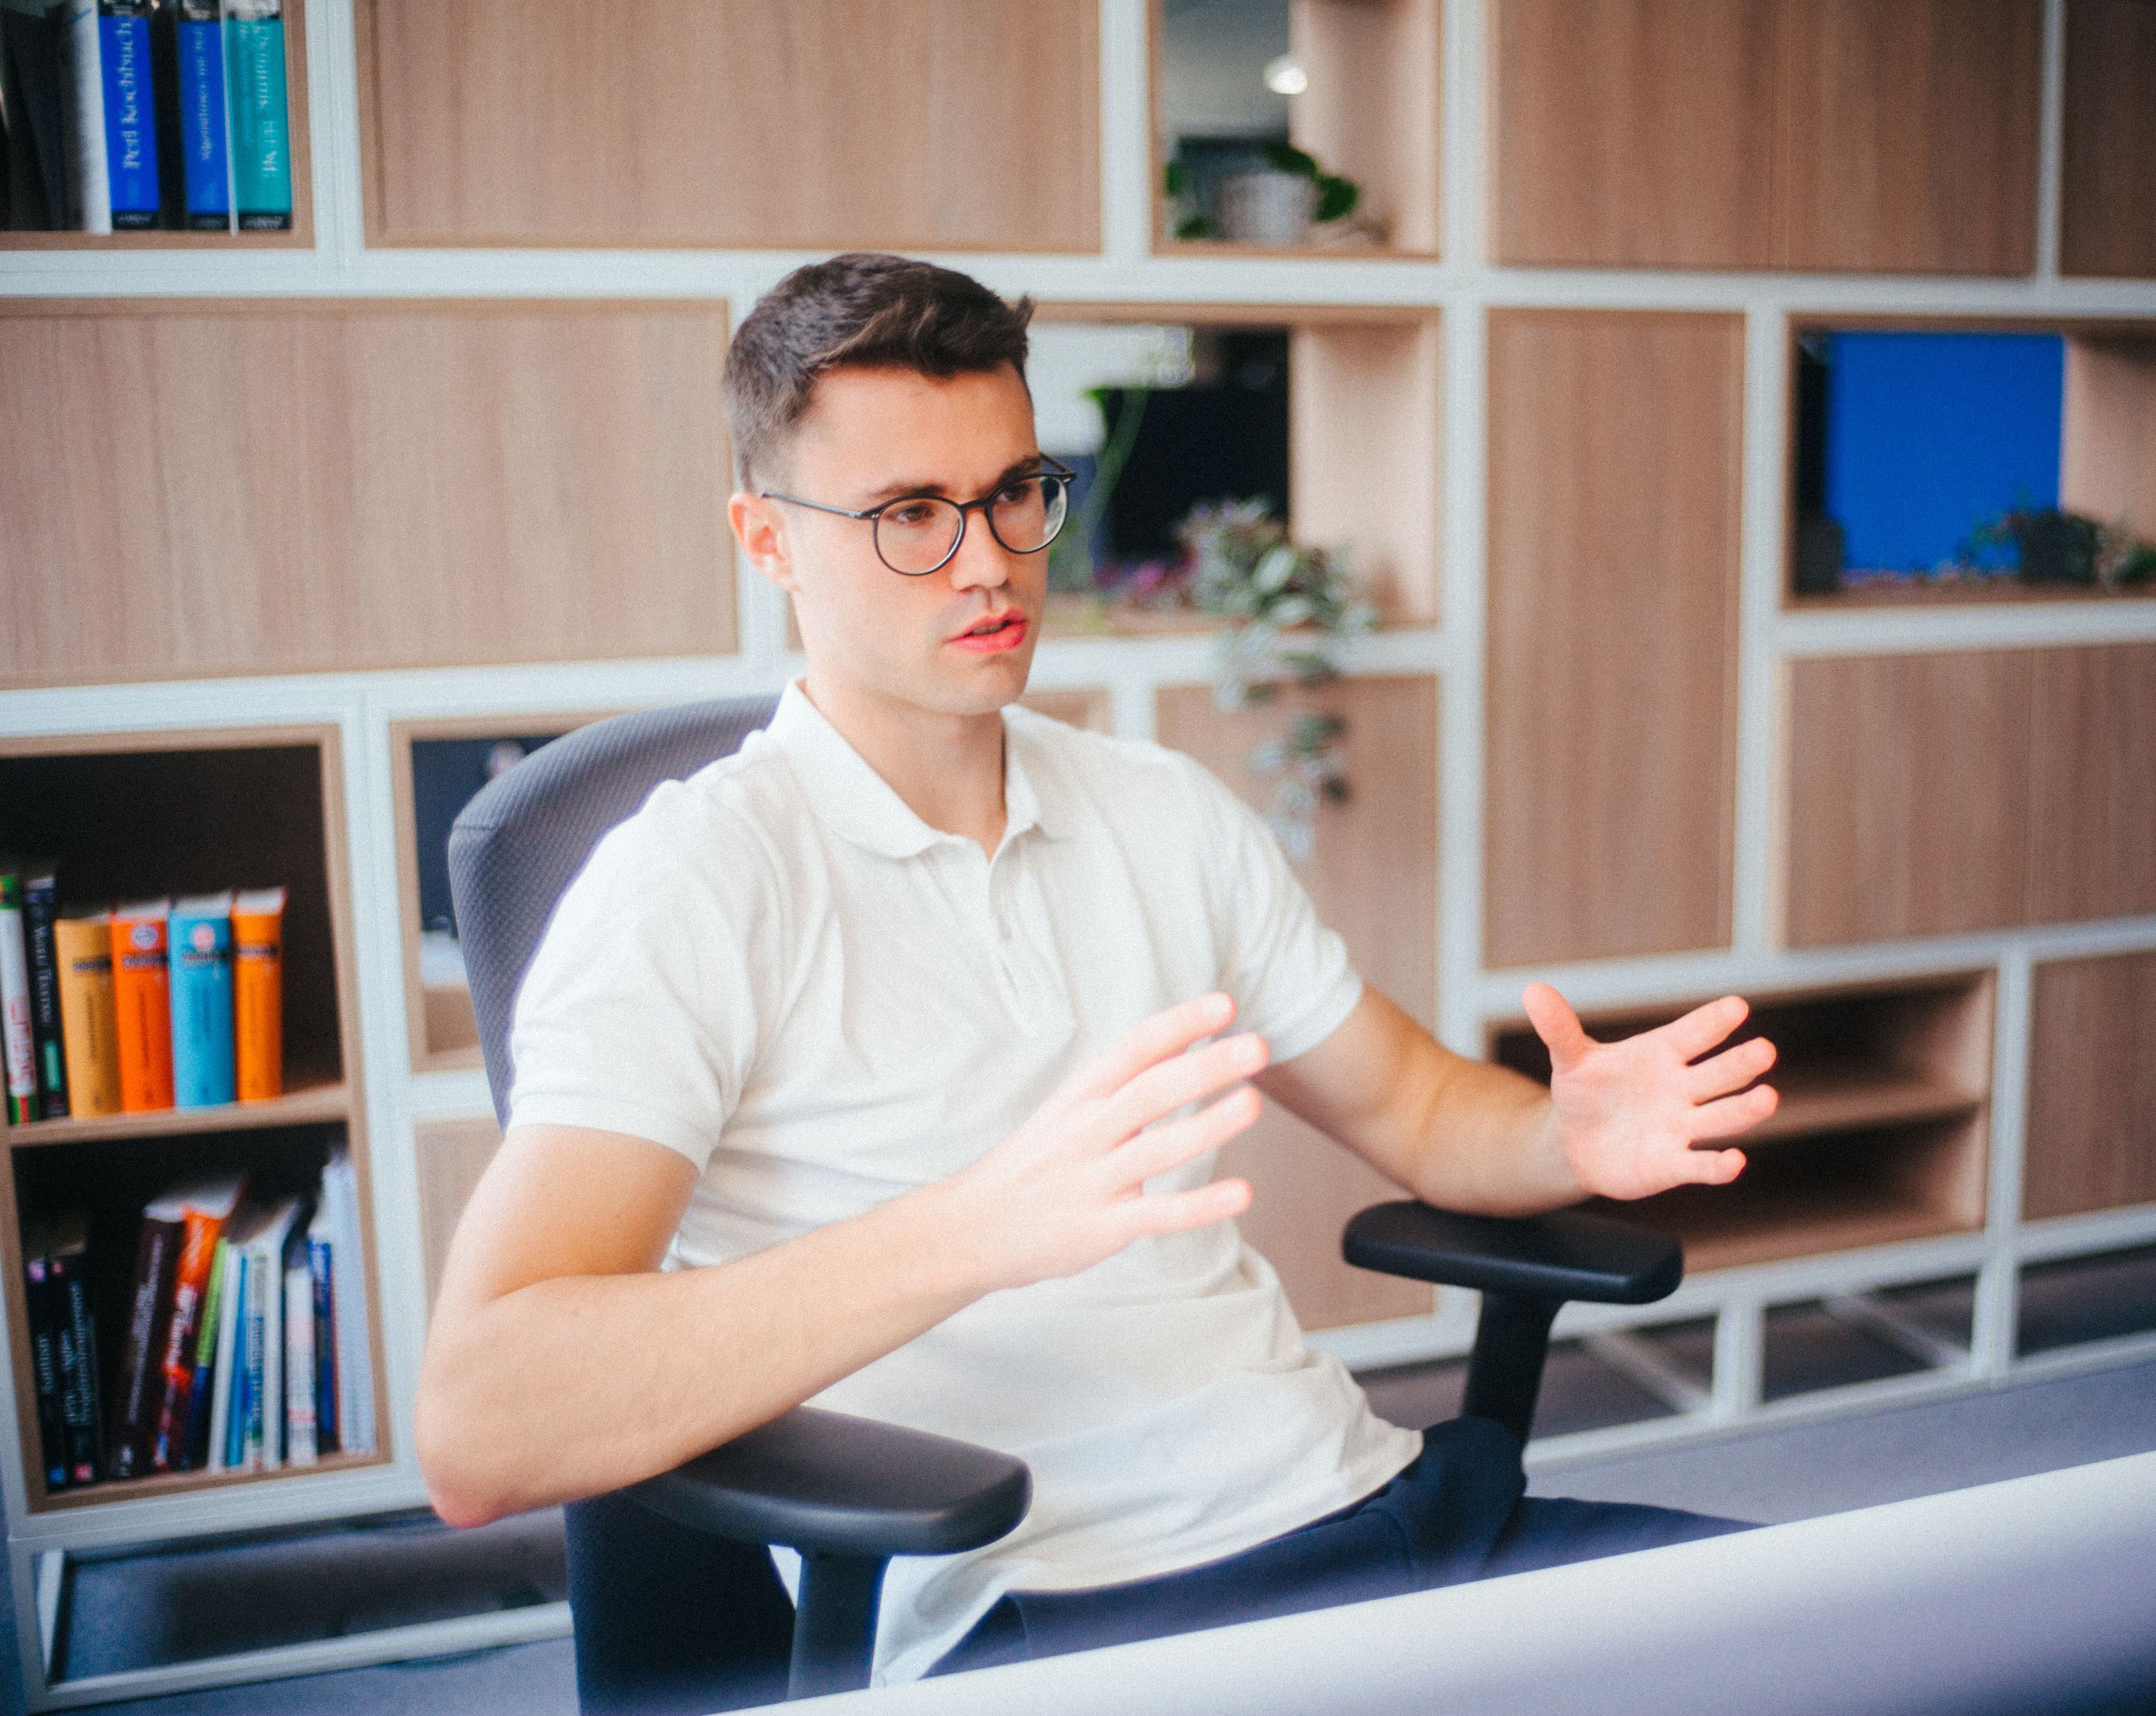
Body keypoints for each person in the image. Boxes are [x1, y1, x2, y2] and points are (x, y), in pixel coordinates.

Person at [415, 253, 1781, 1687]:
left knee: (1859, 1640)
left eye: (1015, 491)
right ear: (768, 541)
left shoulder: (1162, 809)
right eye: (909, 515)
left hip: (1383, 1513)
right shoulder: (692, 882)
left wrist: (1564, 1133)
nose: (988, 560)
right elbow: (481, 1421)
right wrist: (972, 1230)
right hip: (1058, 1617)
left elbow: (1424, 1111)